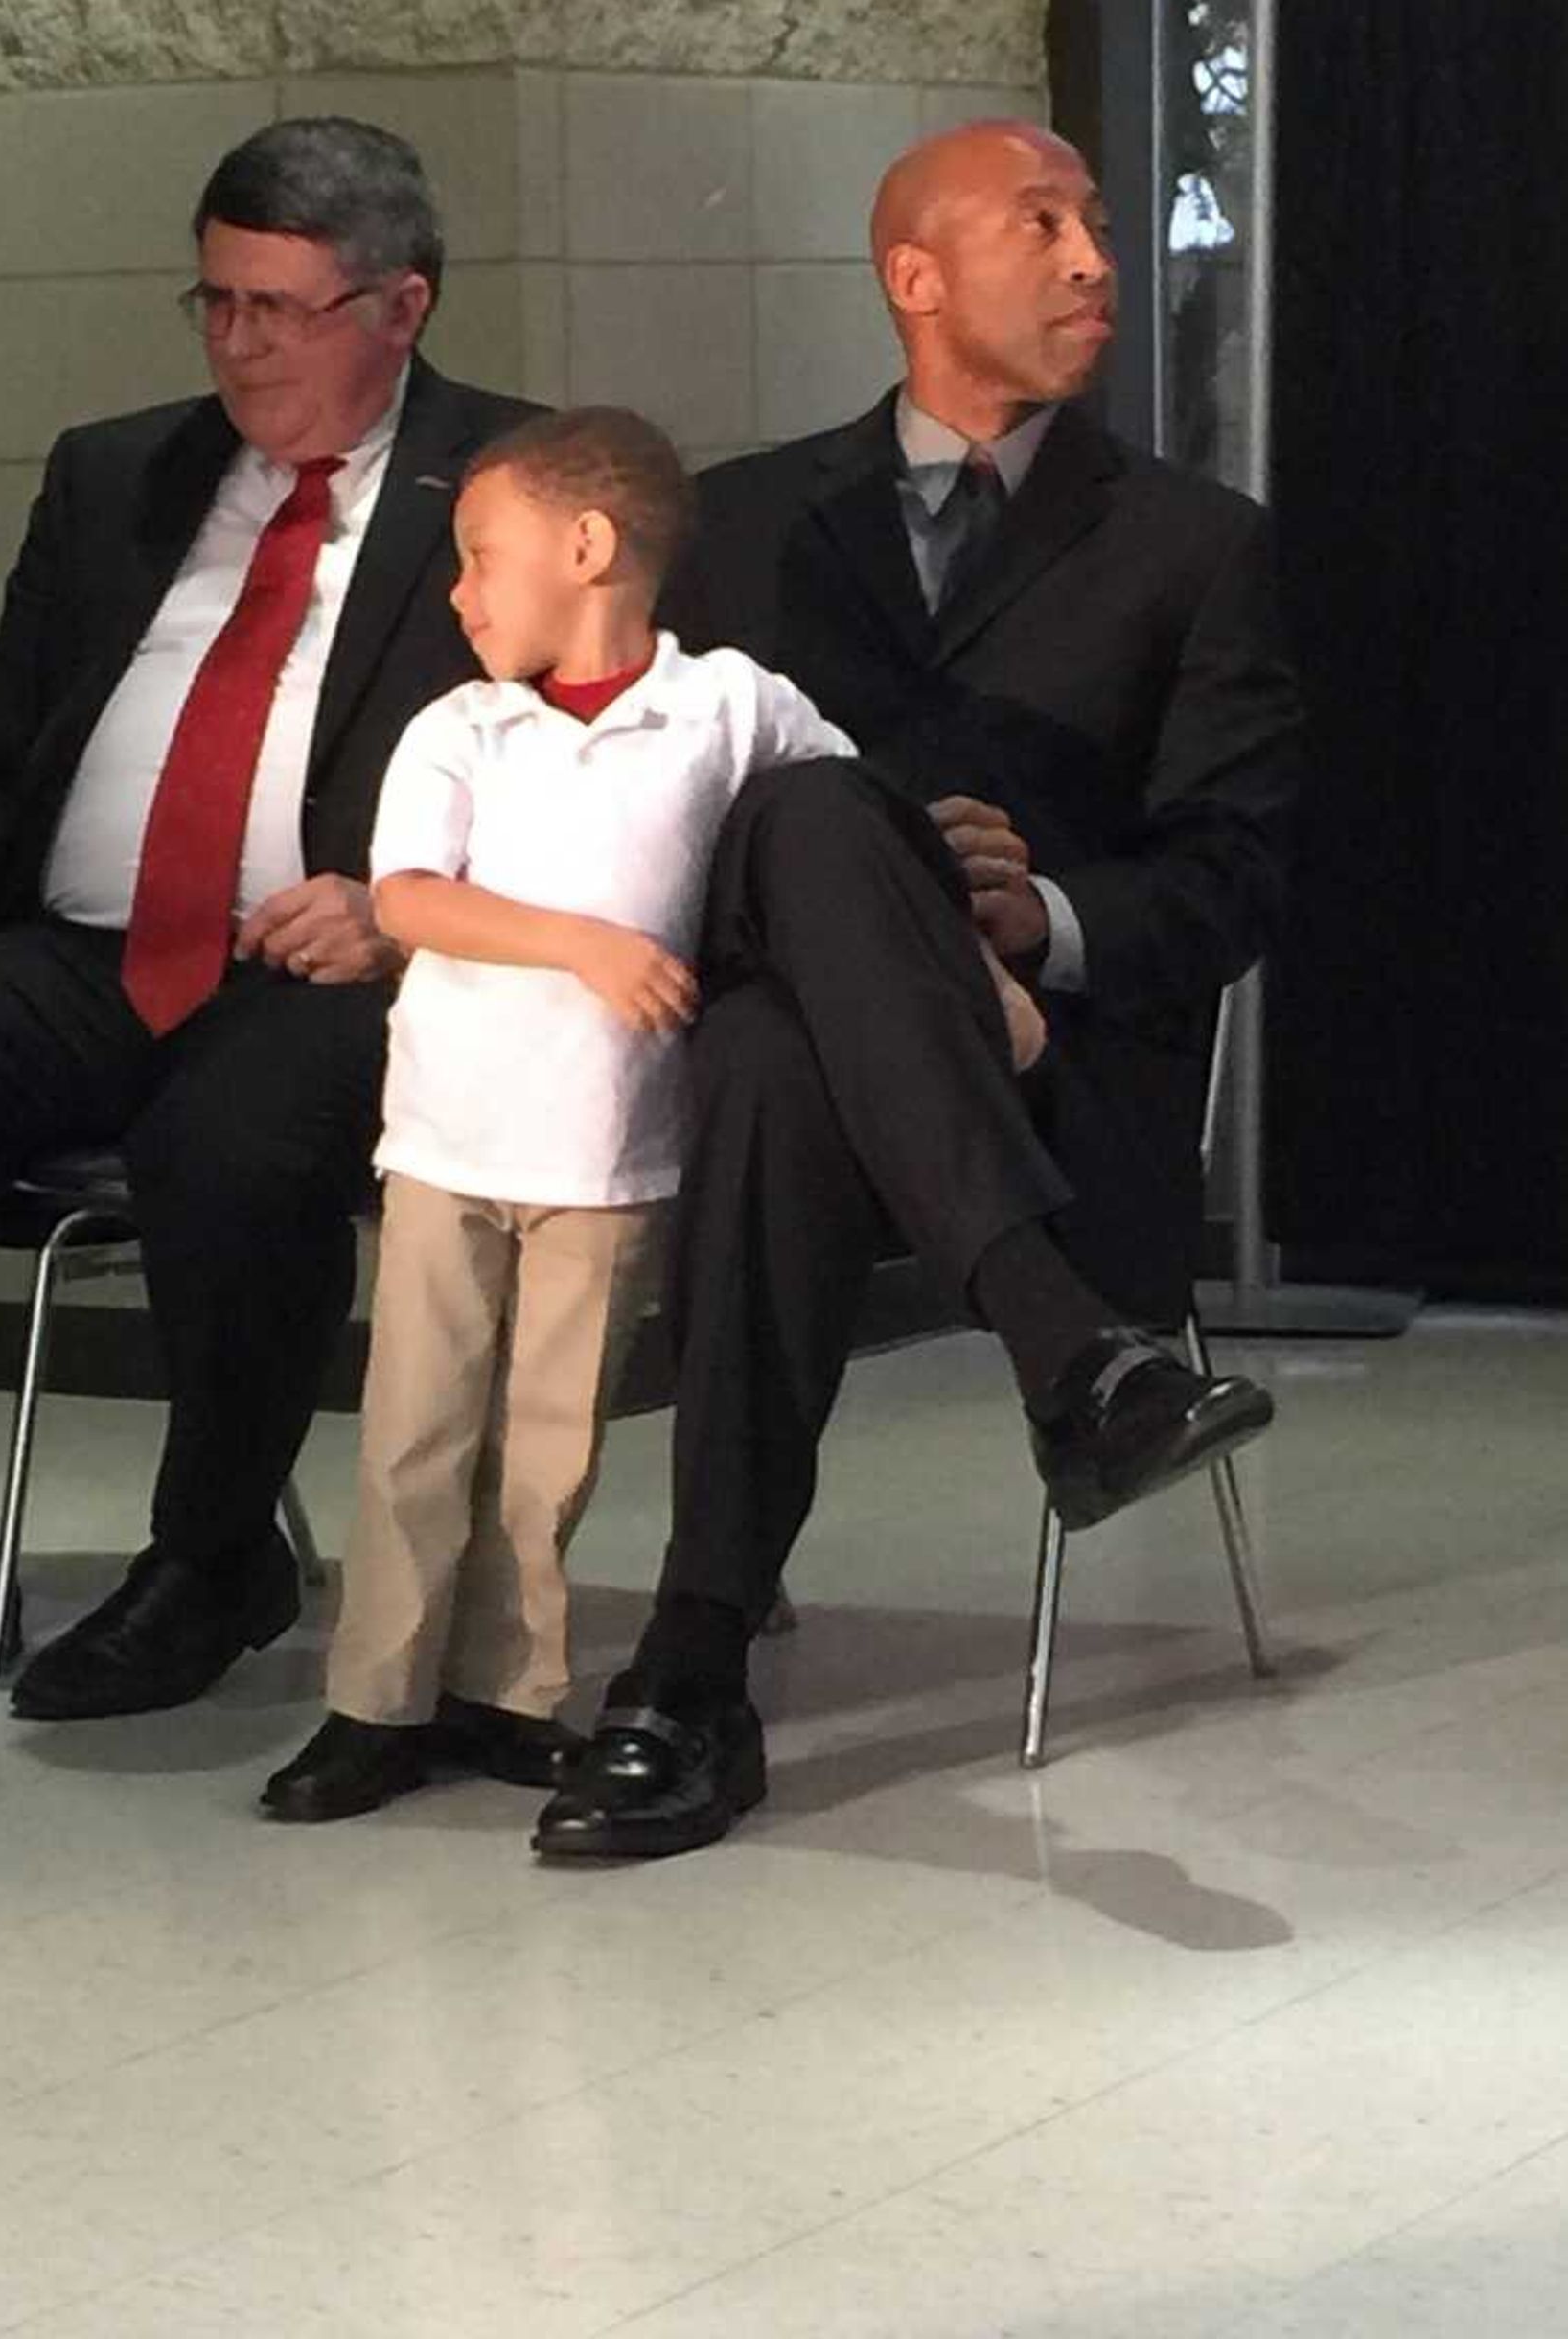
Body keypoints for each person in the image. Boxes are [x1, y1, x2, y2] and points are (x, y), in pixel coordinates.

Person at [534, 121, 1297, 1863]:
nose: (1098, 258)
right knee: (801, 853)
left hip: (1053, 1079)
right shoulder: (730, 526)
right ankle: (1071, 1359)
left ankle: (692, 1670)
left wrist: (1038, 930)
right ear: (915, 278)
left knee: (773, 1053)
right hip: (793, 1051)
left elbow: (1236, 875)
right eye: (1046, 224)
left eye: (1101, 225)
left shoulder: (1196, 545)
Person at [0, 117, 537, 1720]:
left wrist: (401, 909)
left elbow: (596, 769)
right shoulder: (118, 473)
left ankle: (212, 1554)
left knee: (227, 1144)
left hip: (341, 968)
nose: (238, 345)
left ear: (401, 306)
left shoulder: (520, 481)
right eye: (215, 303)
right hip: (84, 959)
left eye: (279, 309)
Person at [261, 407, 879, 1820]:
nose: (461, 592)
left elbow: (849, 822)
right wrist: (585, 946)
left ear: (589, 549)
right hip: (449, 1141)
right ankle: (375, 1699)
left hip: (607, 1156)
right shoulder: (460, 729)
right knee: (418, 1426)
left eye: (483, 556)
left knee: (551, 1440)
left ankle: (510, 1687)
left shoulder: (728, 709)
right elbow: (410, 897)